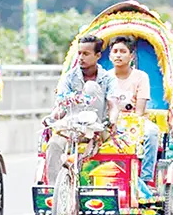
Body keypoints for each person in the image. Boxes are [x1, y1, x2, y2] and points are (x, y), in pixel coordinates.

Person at [44, 35, 120, 188]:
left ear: (98, 56)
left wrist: (111, 120)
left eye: (86, 54)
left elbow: (113, 104)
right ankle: (55, 191)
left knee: (91, 86)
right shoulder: (69, 77)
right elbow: (62, 106)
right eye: (79, 53)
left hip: (97, 128)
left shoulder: (108, 78)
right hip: (72, 127)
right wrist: (52, 117)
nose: (81, 57)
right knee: (53, 144)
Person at [107, 35, 160, 199]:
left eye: (123, 51)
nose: (118, 55)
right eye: (115, 51)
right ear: (110, 55)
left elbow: (140, 110)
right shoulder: (105, 77)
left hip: (134, 120)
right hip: (110, 120)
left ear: (131, 56)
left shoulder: (141, 77)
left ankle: (146, 179)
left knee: (152, 132)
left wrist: (131, 125)